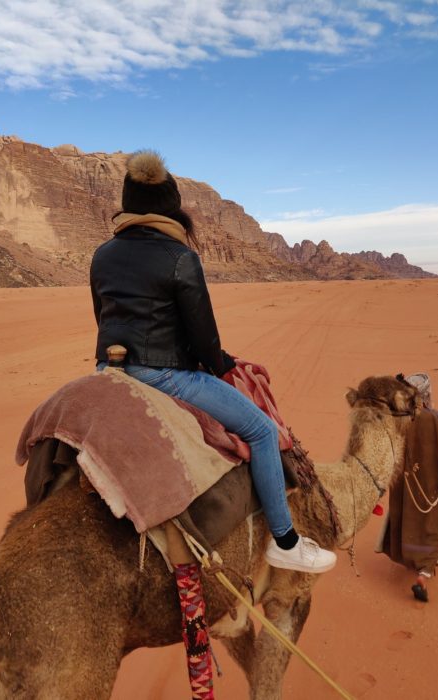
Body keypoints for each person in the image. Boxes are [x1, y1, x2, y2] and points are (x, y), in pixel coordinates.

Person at [90, 149, 336, 575]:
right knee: (261, 431)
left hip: (108, 371)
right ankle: (285, 541)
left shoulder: (102, 255)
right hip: (164, 374)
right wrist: (223, 363)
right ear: (172, 209)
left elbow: (104, 317)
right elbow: (204, 340)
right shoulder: (181, 257)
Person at [376, 373, 438, 601]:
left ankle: (408, 559)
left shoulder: (395, 420)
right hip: (433, 486)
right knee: (434, 524)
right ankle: (423, 575)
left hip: (403, 486)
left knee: (406, 520)